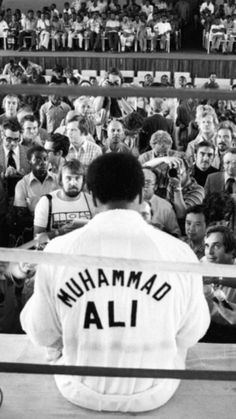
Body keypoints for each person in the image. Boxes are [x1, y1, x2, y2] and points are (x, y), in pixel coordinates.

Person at [20, 152, 210, 412]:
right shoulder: (178, 252)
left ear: (93, 197)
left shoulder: (59, 249)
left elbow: (42, 332)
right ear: (142, 196)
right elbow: (192, 332)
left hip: (78, 386)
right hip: (156, 389)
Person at [34, 159, 94, 243]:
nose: (73, 183)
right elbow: (36, 241)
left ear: (83, 181)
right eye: (68, 178)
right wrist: (58, 232)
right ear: (60, 180)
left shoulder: (91, 201)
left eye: (77, 178)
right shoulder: (46, 202)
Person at [202, 225, 236, 343]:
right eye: (207, 246)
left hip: (231, 332)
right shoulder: (203, 263)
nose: (210, 252)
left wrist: (216, 279)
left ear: (231, 251)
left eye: (216, 246)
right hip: (206, 328)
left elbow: (232, 317)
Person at [142, 167, 181, 236]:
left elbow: (176, 235)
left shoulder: (165, 207)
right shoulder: (126, 203)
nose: (142, 186)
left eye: (147, 183)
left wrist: (160, 231)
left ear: (155, 186)